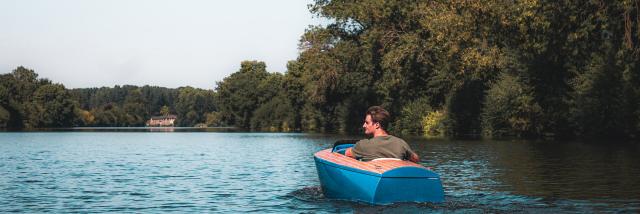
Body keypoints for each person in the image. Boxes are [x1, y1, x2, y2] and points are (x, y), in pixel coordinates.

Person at [344, 106, 420, 163]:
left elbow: (347, 153)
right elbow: (416, 158)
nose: (364, 125)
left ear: (377, 125)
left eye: (367, 123)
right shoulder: (400, 143)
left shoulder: (363, 145)